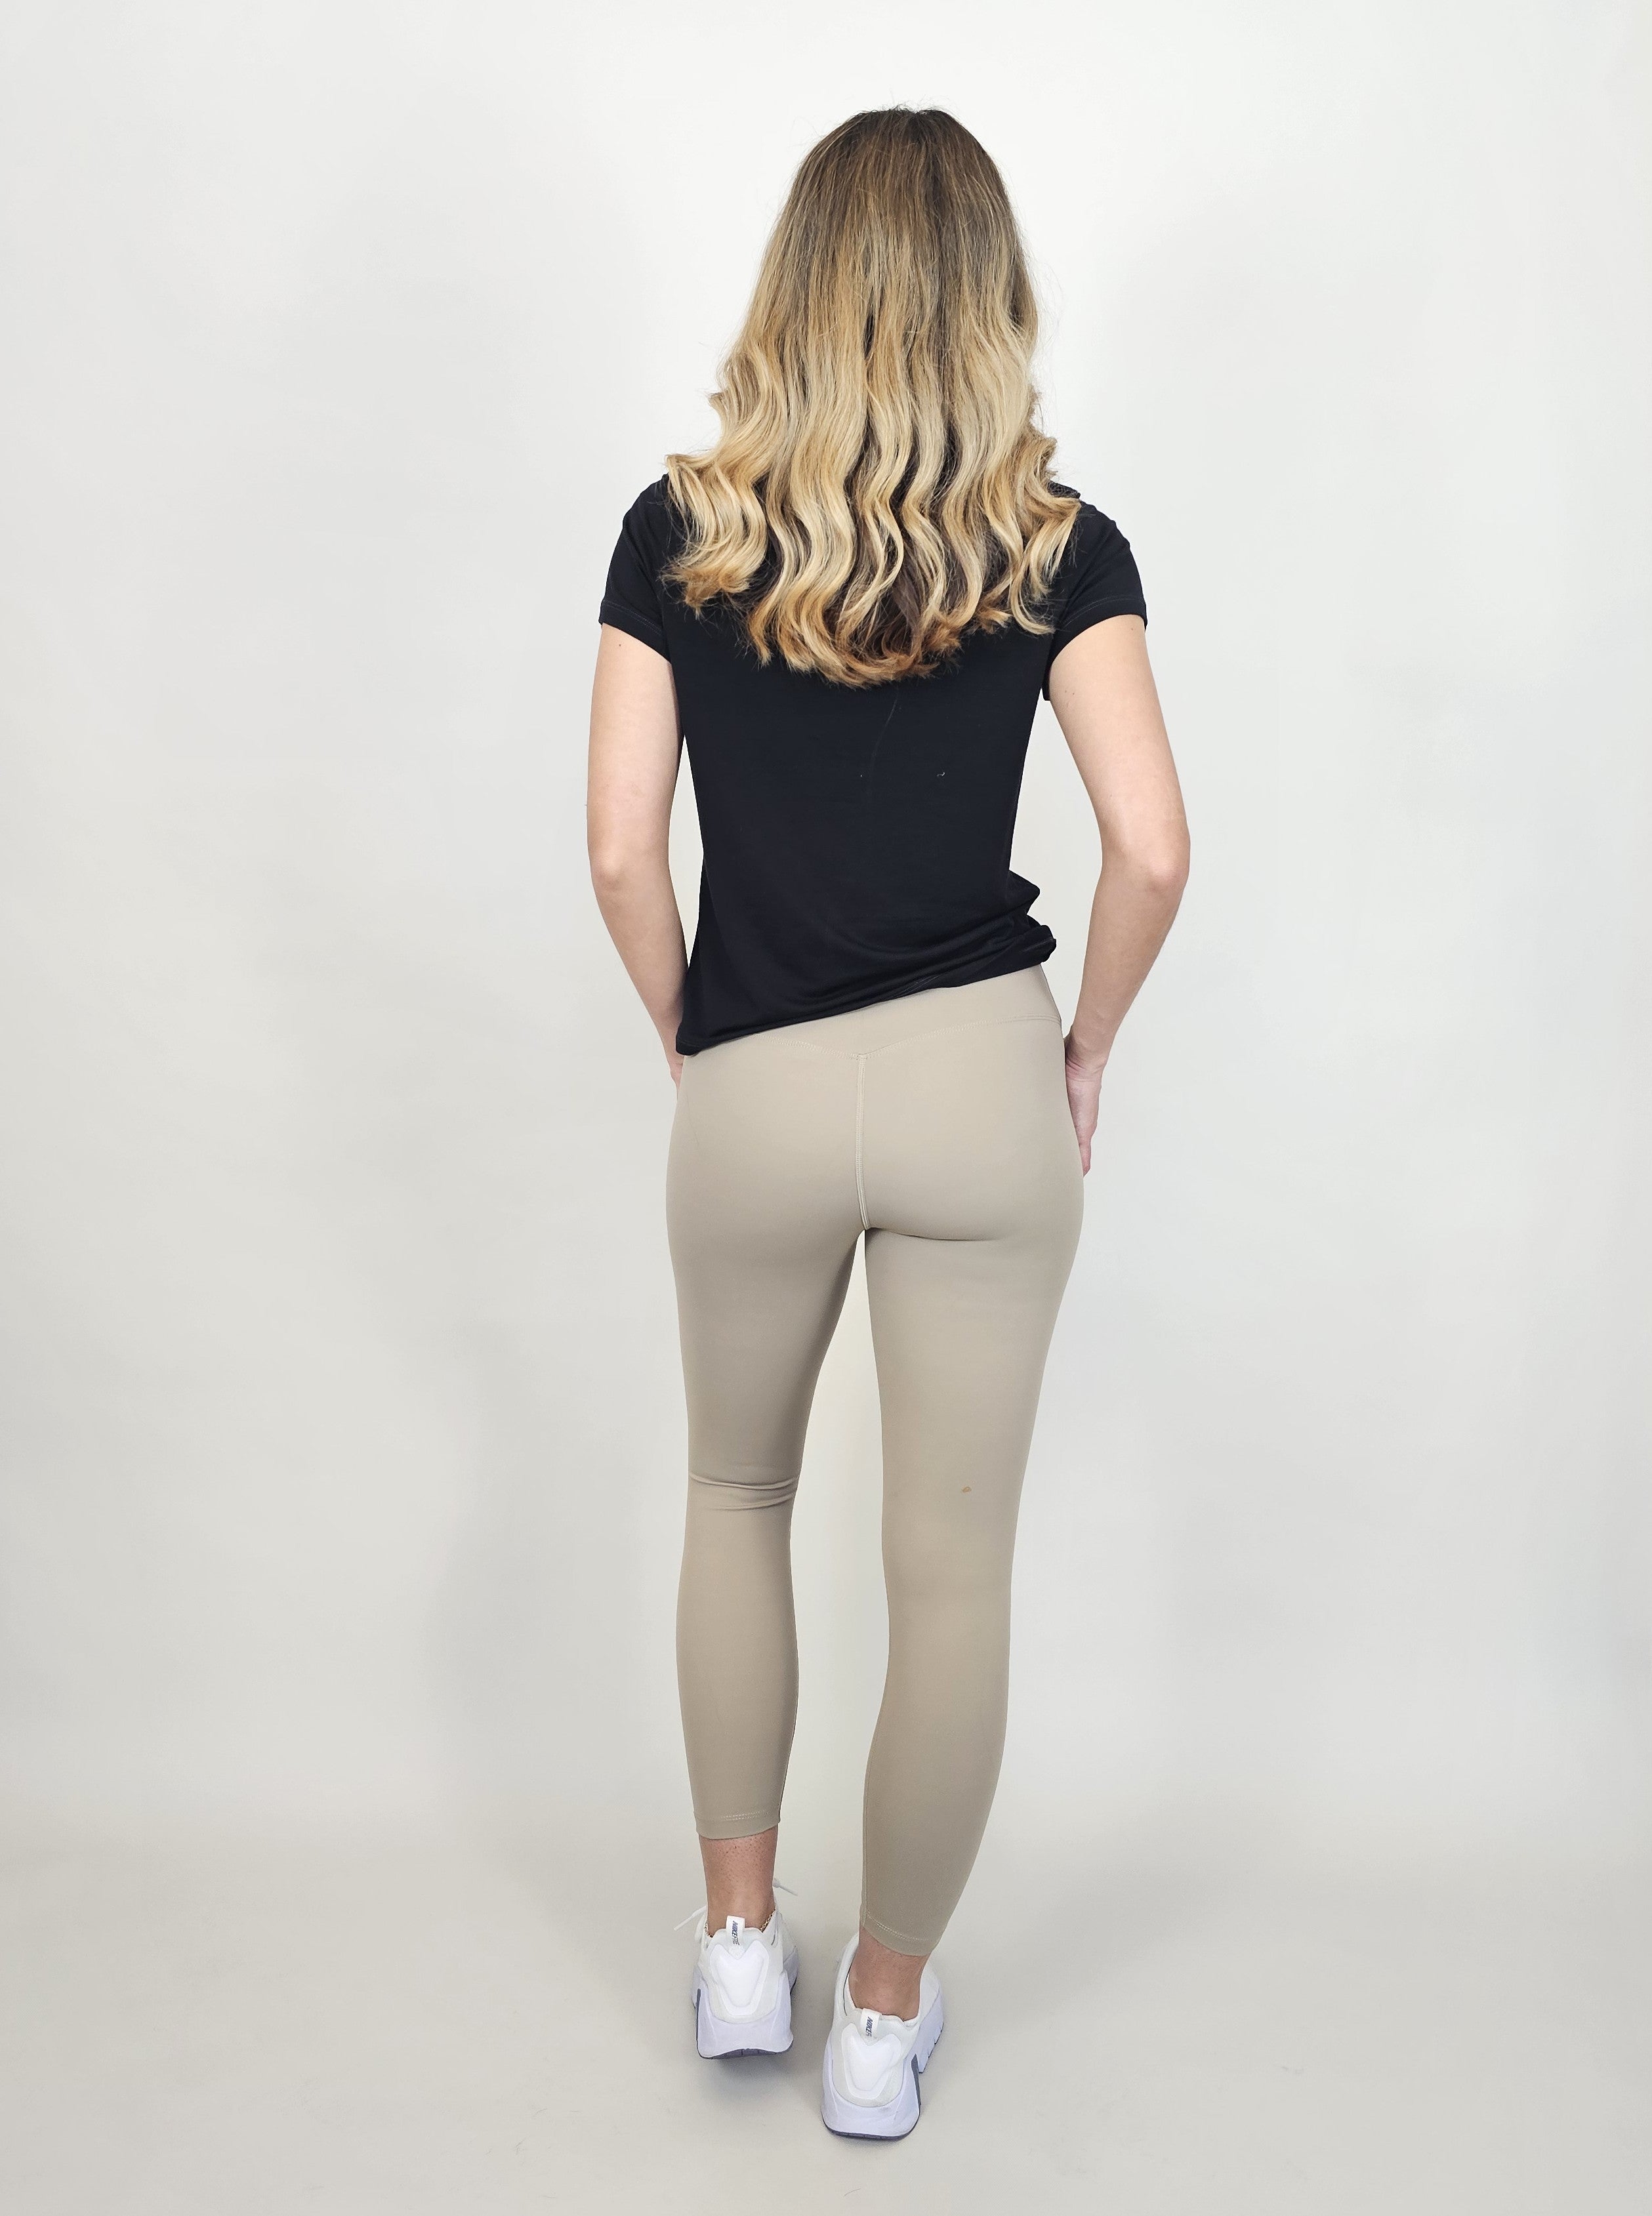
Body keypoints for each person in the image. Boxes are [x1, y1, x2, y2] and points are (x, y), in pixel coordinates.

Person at [587, 106, 1188, 2141]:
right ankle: (881, 2018)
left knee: (732, 1493)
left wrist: (696, 1032)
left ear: (796, 280)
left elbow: (616, 845)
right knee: (953, 1575)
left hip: (754, 1082)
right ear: (985, 296)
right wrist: (1081, 1047)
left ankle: (736, 1946)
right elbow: (1154, 846)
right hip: (975, 1085)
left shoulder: (675, 531)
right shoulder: (1059, 544)